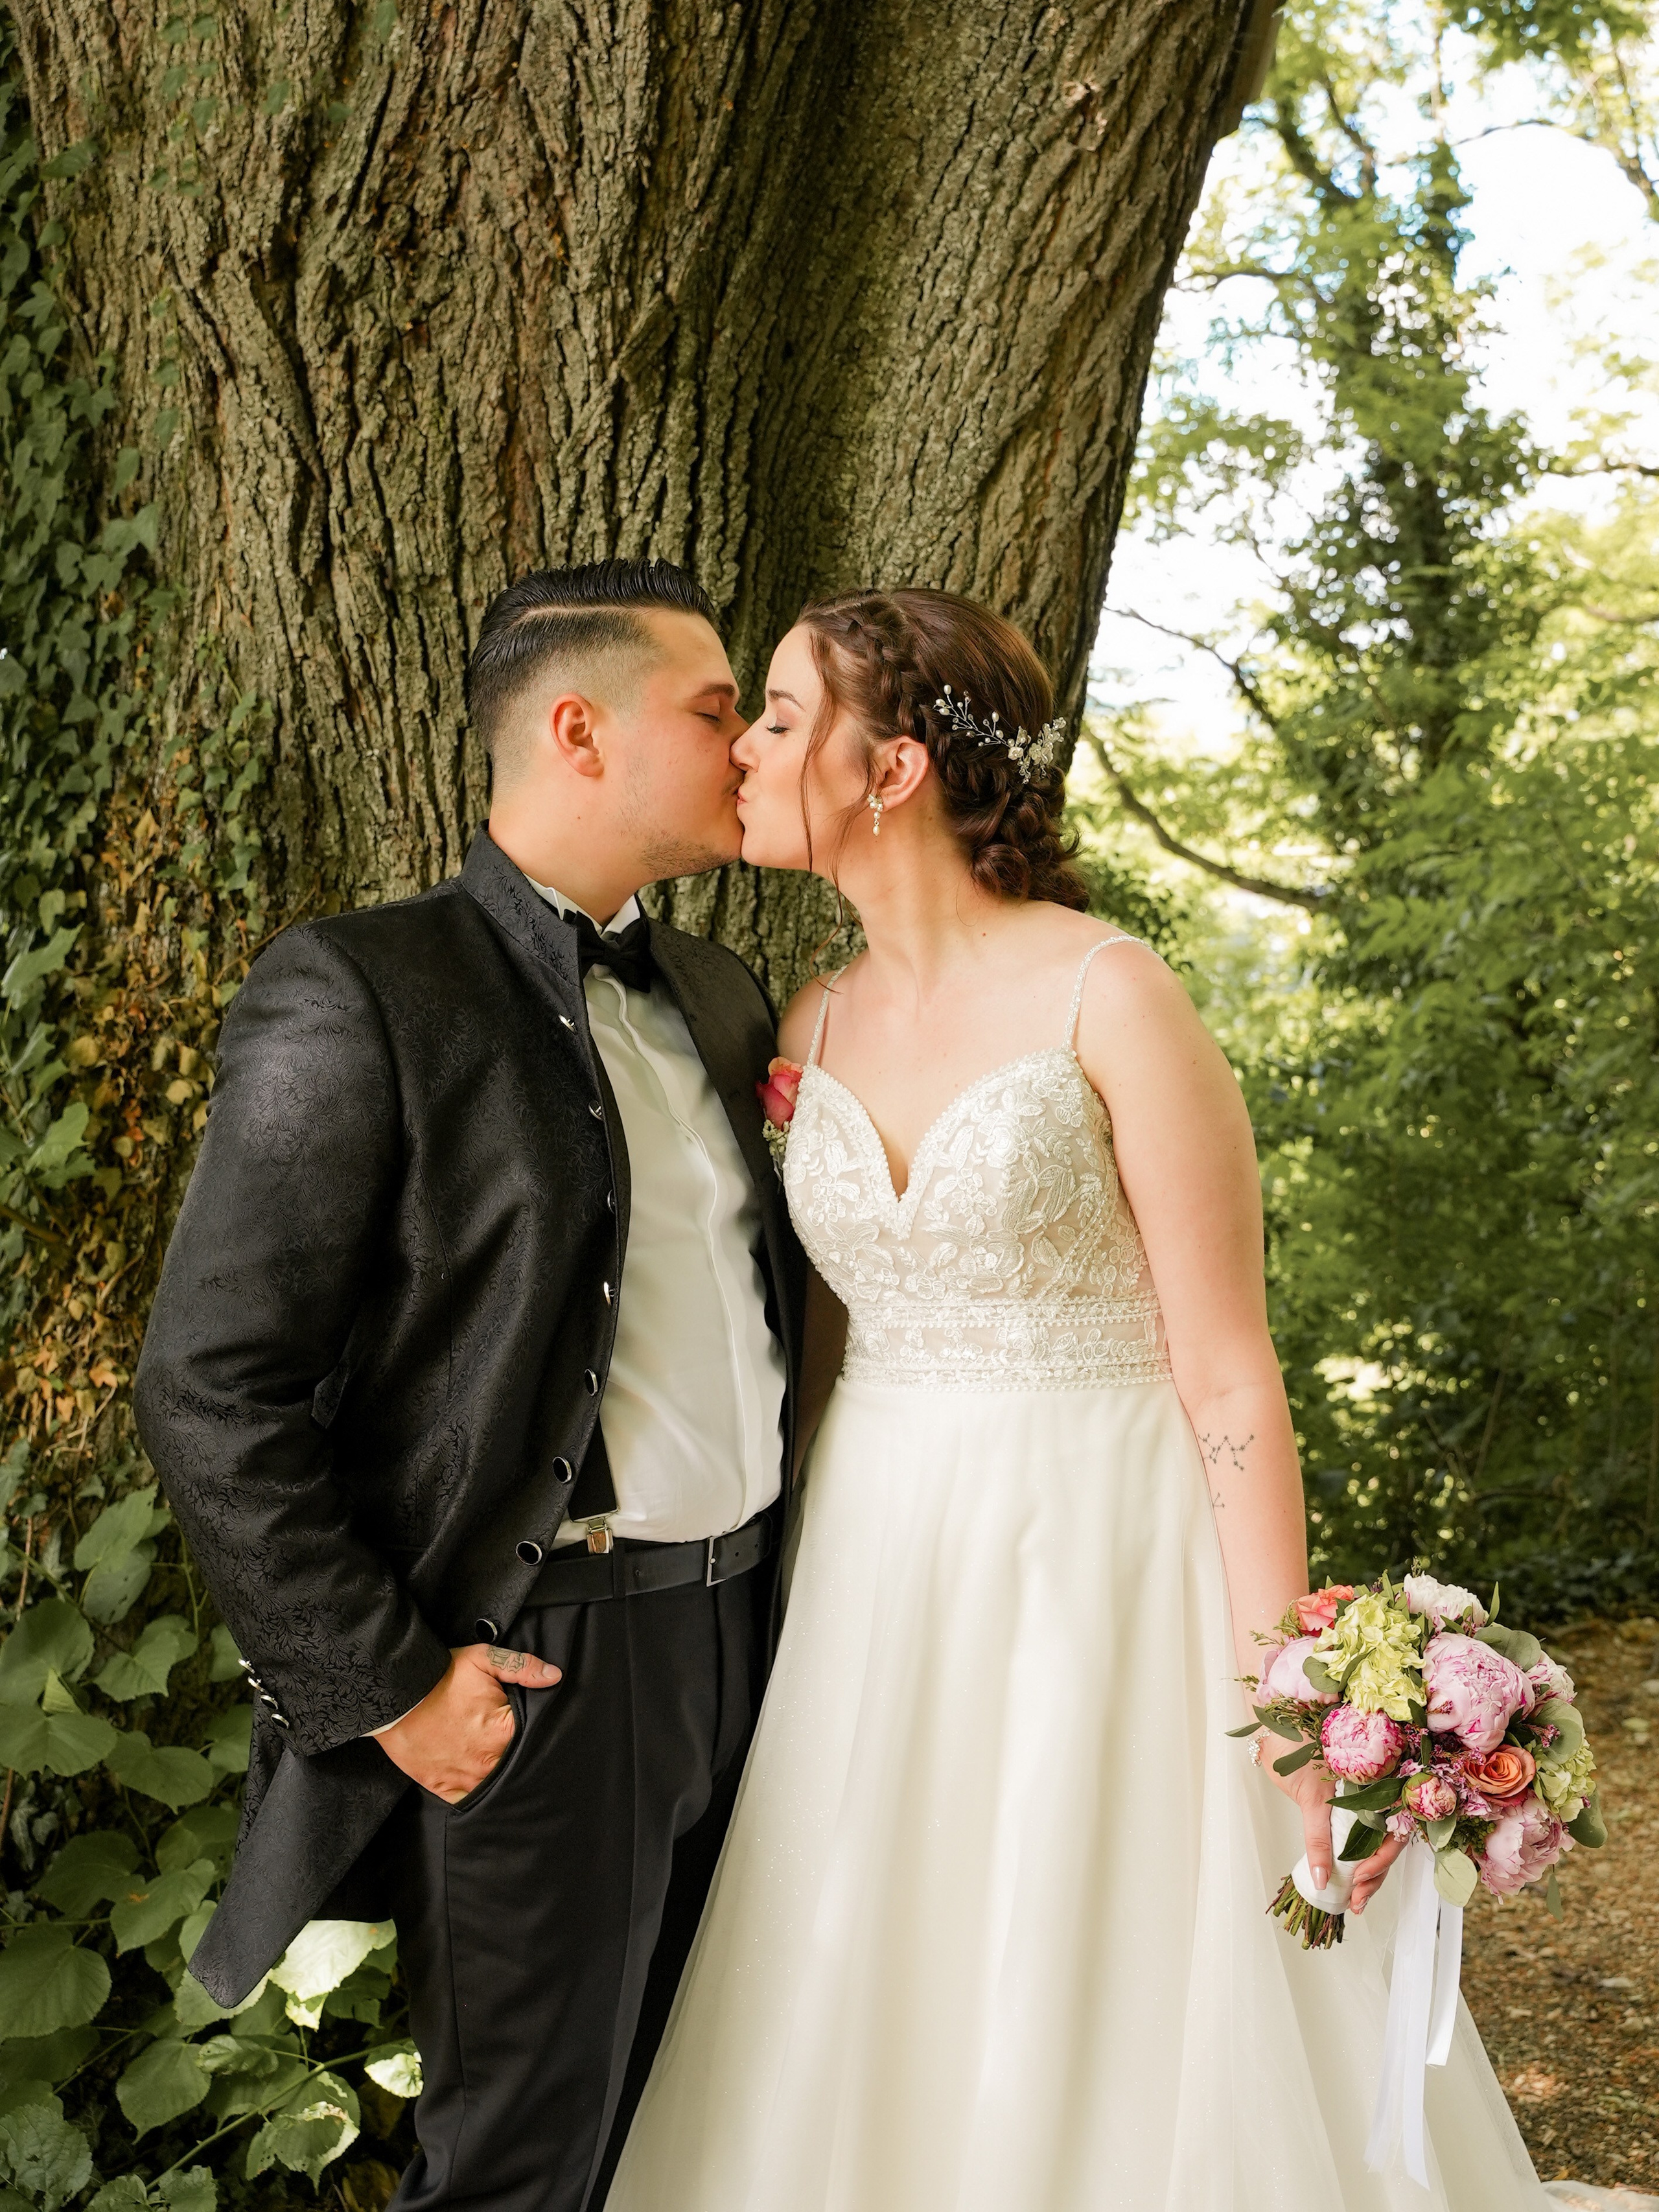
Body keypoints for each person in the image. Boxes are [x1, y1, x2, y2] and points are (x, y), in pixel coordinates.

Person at [606, 587, 1550, 2210]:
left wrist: (1289, 1691)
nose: (745, 749)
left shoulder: (1110, 999)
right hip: (879, 1553)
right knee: (880, 1941)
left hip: (1105, 1540)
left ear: (890, 767)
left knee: (1092, 1920)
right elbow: (819, 1337)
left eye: (775, 713)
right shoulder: (805, 1021)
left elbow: (1226, 1365)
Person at [133, 557, 804, 2212]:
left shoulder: (719, 998)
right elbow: (208, 1385)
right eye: (715, 710)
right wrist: (388, 1684)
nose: (748, 745)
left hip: (767, 1653)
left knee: (698, 2133)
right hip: (547, 1676)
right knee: (517, 2167)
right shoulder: (361, 988)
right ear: (578, 729)